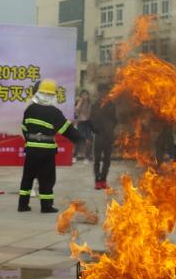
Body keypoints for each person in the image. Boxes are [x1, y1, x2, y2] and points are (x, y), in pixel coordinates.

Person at [17, 79, 80, 213]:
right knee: (46, 179)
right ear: (51, 95)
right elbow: (67, 130)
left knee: (27, 177)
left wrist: (30, 141)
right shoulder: (54, 112)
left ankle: (22, 205)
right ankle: (46, 206)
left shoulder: (29, 109)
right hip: (46, 152)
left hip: (31, 150)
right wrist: (81, 140)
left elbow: (24, 128)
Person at [89, 83, 116, 190]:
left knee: (107, 160)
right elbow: (91, 120)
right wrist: (95, 130)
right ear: (98, 93)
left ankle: (103, 180)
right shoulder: (95, 105)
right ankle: (97, 181)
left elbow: (115, 120)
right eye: (101, 91)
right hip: (98, 136)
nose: (103, 94)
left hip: (109, 136)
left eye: (105, 92)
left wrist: (110, 128)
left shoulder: (111, 105)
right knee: (97, 160)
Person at [73, 89, 93, 163]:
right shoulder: (78, 102)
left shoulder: (90, 104)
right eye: (83, 94)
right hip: (80, 122)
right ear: (80, 96)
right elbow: (75, 112)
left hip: (88, 123)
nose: (85, 96)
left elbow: (91, 114)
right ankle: (74, 156)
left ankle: (87, 157)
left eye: (86, 94)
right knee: (78, 140)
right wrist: (80, 103)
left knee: (88, 141)